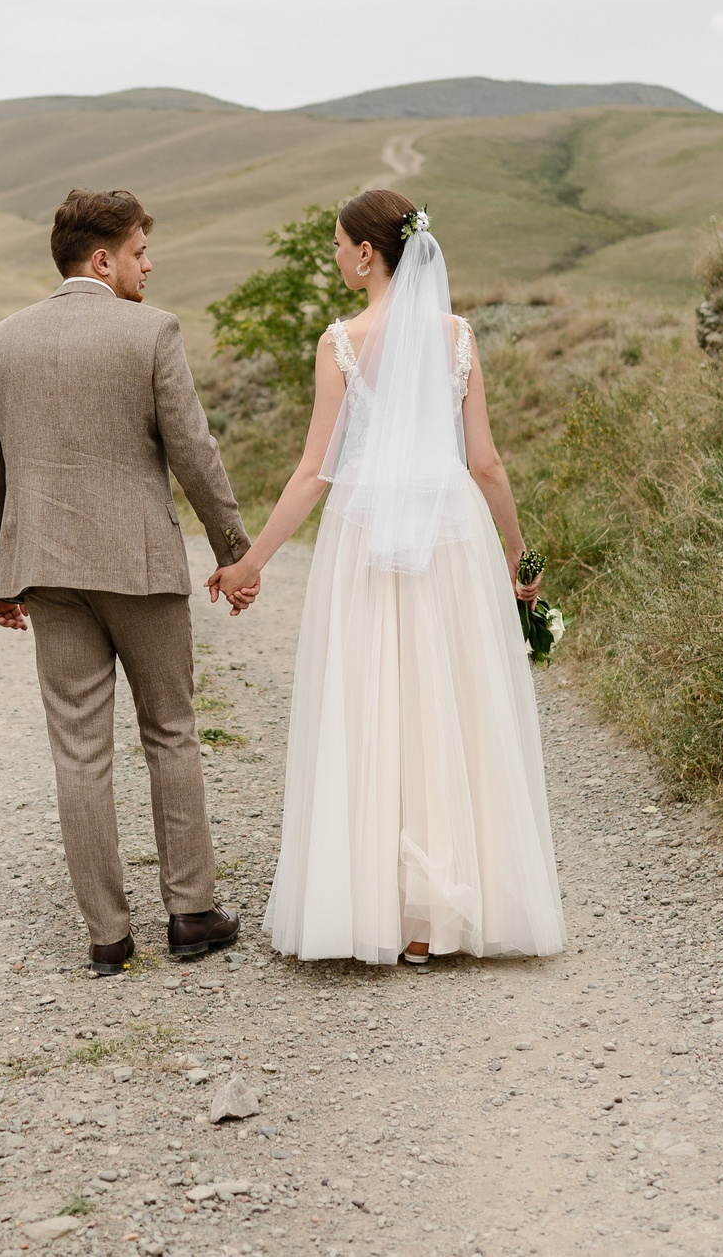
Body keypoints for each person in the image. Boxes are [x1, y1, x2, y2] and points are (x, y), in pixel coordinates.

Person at [210, 189, 564, 966]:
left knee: (375, 708)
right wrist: (516, 557)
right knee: (452, 707)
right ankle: (447, 913)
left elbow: (313, 474)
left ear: (368, 252)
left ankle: (382, 905)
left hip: (367, 539)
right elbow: (486, 462)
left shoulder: (341, 342)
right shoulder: (460, 337)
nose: (336, 256)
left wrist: (249, 563)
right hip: (451, 535)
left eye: (339, 244)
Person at [0, 188, 256, 977]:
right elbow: (195, 451)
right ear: (103, 259)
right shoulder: (151, 332)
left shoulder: (0, 343)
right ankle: (191, 912)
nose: (148, 264)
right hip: (140, 566)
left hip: (47, 573)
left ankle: (107, 935)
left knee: (79, 751)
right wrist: (235, 549)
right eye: (138, 251)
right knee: (170, 728)